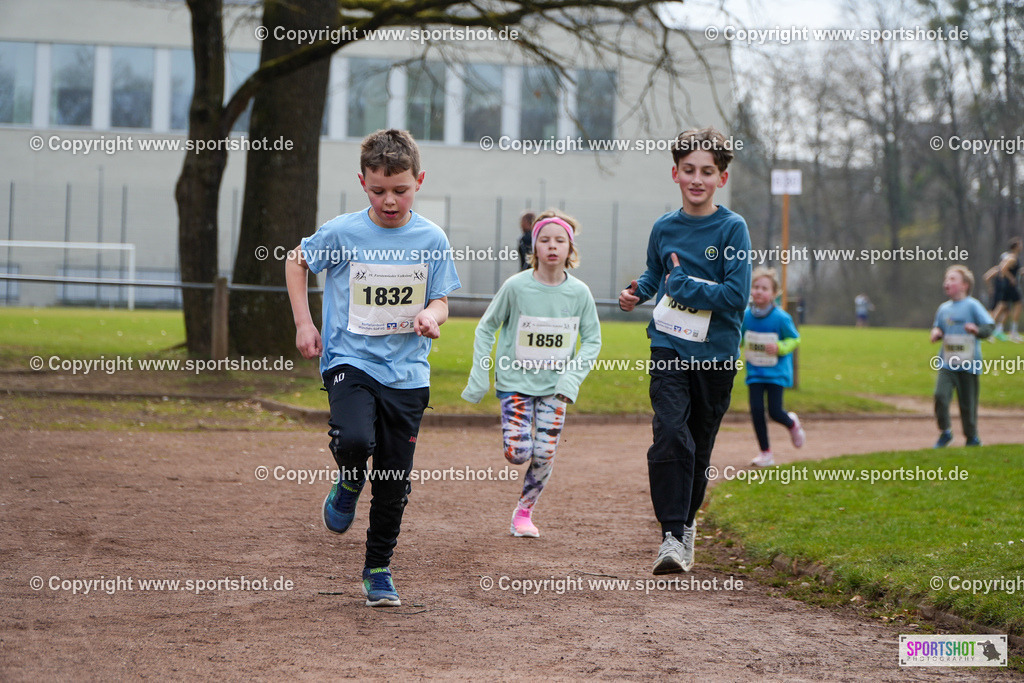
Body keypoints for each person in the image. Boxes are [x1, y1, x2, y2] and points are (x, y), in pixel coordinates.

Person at [285, 129, 461, 607]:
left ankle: (378, 568)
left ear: (419, 181)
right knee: (356, 441)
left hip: (407, 374)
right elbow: (297, 261)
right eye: (378, 190)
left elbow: (442, 300)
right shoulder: (343, 232)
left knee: (393, 483)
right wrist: (304, 323)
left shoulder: (431, 238)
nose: (389, 201)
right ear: (362, 182)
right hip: (351, 360)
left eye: (400, 190)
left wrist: (432, 316)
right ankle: (348, 479)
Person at [618, 127, 751, 575]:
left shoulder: (732, 228)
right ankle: (671, 536)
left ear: (721, 178)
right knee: (670, 432)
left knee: (699, 445)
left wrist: (684, 285)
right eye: (689, 169)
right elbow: (655, 273)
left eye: (707, 172)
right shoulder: (664, 227)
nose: (697, 179)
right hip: (669, 345)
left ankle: (686, 524)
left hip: (716, 355)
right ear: (675, 173)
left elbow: (736, 295)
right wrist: (638, 291)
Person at [462, 209, 601, 537]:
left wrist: (571, 378)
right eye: (545, 240)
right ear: (534, 246)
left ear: (570, 248)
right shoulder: (516, 287)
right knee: (518, 453)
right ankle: (516, 439)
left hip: (556, 388)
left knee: (545, 452)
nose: (552, 246)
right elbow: (486, 328)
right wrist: (481, 374)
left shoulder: (579, 293)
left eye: (560, 240)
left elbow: (593, 340)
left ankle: (524, 512)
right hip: (515, 384)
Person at [741, 267, 805, 467]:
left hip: (776, 373)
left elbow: (794, 339)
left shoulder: (781, 318)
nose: (759, 291)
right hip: (755, 372)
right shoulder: (746, 317)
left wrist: (779, 347)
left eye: (764, 288)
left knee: (775, 412)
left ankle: (792, 423)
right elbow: (740, 339)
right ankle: (765, 453)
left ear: (774, 293)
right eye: (756, 287)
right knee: (756, 411)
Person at [930, 265, 994, 448]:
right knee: (940, 396)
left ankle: (972, 438)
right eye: (946, 279)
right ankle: (945, 432)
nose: (947, 282)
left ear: (964, 285)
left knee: (967, 404)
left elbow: (989, 327)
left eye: (952, 279)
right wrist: (936, 332)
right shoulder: (943, 309)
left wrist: (977, 330)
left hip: (969, 364)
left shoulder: (973, 305)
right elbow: (938, 327)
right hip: (947, 363)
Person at [983, 237, 1022, 342]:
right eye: (1020, 244)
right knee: (1016, 305)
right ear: (1015, 247)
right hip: (1009, 286)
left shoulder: (1011, 257)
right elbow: (1002, 269)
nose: (1021, 246)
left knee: (1003, 308)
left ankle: (994, 330)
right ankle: (1012, 332)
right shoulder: (1012, 258)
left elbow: (1003, 268)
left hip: (1006, 286)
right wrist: (1011, 278)